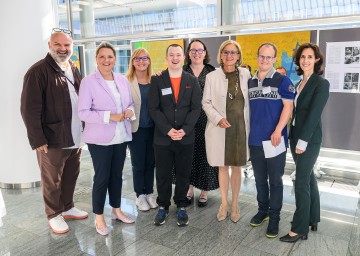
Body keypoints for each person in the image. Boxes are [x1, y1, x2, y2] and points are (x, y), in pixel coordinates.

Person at [21, 28, 88, 234]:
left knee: (70, 174)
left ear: (72, 47)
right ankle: (53, 214)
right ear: (49, 46)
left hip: (75, 135)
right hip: (51, 138)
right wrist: (37, 139)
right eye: (57, 44)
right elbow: (29, 109)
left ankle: (67, 207)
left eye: (66, 45)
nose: (62, 48)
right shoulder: (38, 71)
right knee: (52, 179)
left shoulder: (72, 67)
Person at [78, 42, 135, 236]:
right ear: (96, 59)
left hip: (121, 136)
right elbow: (83, 112)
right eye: (101, 56)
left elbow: (130, 103)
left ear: (115, 59)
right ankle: (99, 217)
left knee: (116, 176)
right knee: (101, 178)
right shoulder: (88, 81)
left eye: (110, 56)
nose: (106, 60)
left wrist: (129, 111)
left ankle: (117, 210)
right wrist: (109, 116)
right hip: (99, 139)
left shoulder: (122, 79)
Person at [280, 43, 329, 243]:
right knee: (308, 178)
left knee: (300, 182)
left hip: (308, 139)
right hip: (296, 135)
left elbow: (314, 114)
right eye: (302, 57)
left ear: (317, 60)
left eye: (310, 57)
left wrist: (303, 141)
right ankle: (313, 218)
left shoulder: (321, 83)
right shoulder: (298, 83)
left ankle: (299, 228)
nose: (305, 60)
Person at [148, 44, 201, 227]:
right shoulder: (157, 80)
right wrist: (168, 130)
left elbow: (196, 108)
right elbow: (153, 109)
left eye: (178, 55)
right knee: (162, 174)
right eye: (171, 55)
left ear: (183, 57)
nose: (175, 58)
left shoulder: (191, 80)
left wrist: (184, 129)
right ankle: (162, 205)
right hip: (163, 138)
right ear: (166, 57)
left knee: (183, 174)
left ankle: (181, 206)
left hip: (185, 137)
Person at [248, 42, 294, 238]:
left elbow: (288, 107)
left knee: (275, 181)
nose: (264, 60)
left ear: (274, 59)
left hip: (275, 141)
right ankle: (263, 211)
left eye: (269, 57)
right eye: (261, 56)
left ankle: (274, 218)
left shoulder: (282, 80)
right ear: (257, 57)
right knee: (259, 180)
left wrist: (278, 130)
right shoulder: (250, 82)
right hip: (256, 140)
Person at [202, 40, 251, 223]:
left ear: (239, 56)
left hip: (239, 127)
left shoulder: (246, 74)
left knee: (237, 167)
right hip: (220, 127)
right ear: (221, 55)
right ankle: (224, 203)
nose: (229, 56)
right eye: (226, 52)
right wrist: (217, 118)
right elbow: (206, 103)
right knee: (223, 167)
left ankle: (235, 204)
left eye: (233, 52)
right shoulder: (212, 77)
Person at [183, 39, 219, 207]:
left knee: (206, 155)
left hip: (207, 120)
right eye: (193, 50)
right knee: (188, 155)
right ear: (188, 53)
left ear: (205, 53)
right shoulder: (180, 70)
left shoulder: (213, 72)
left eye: (200, 50)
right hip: (185, 120)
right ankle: (189, 188)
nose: (197, 53)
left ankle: (204, 190)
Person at [126, 48, 158, 212]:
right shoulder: (126, 81)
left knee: (151, 163)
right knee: (138, 163)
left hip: (153, 129)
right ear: (132, 61)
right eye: (137, 59)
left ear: (149, 61)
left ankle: (149, 193)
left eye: (144, 58)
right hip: (135, 129)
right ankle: (140, 195)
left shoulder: (155, 80)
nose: (141, 61)